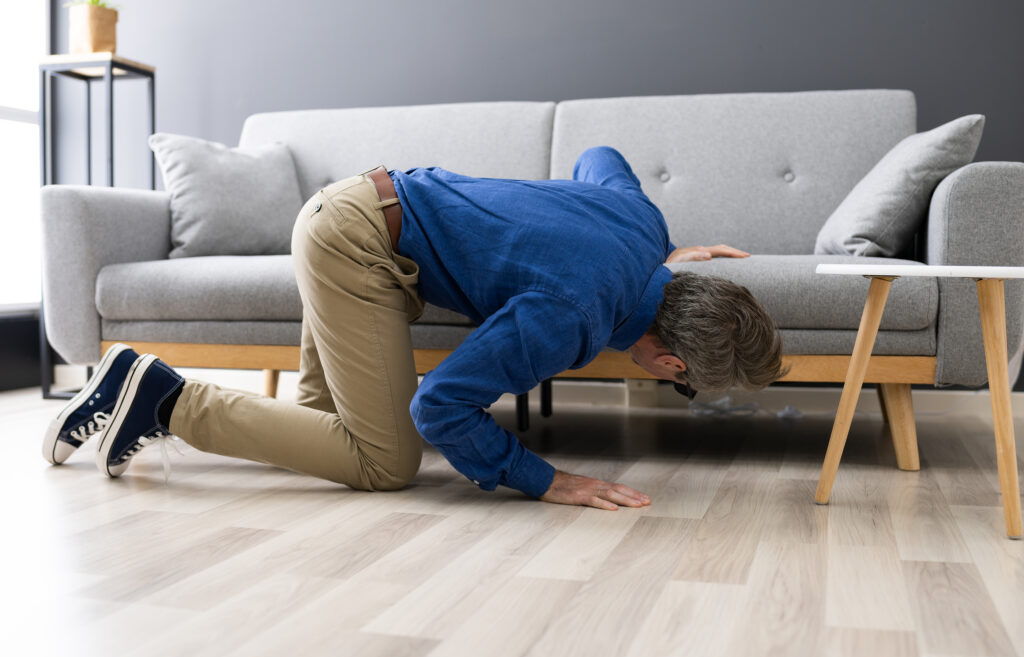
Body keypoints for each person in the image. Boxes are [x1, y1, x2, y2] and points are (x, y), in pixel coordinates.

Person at [42, 146, 785, 510]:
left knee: (319, 431)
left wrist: (659, 249)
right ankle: (163, 396)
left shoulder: (643, 221)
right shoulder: (573, 314)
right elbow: (442, 405)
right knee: (386, 462)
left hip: (359, 218)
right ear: (669, 364)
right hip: (355, 245)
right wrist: (545, 479)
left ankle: (128, 387)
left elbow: (601, 156)